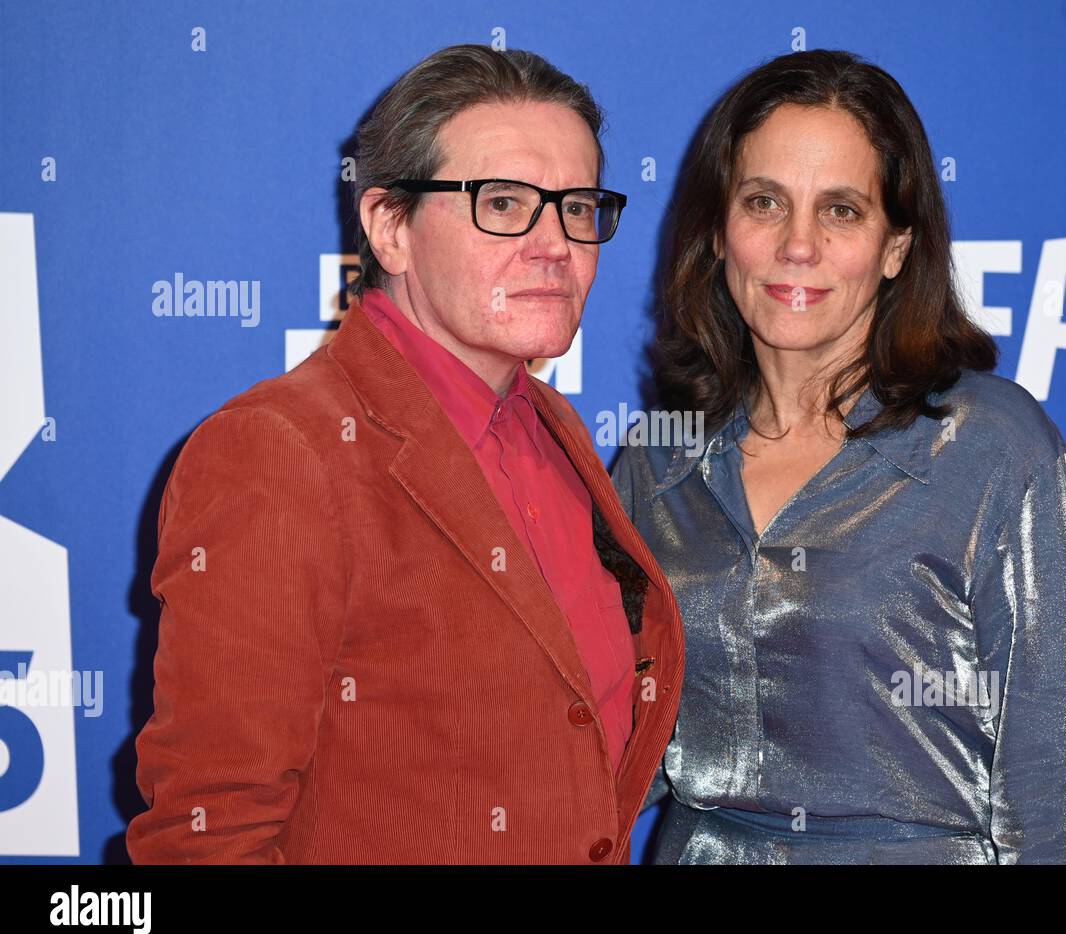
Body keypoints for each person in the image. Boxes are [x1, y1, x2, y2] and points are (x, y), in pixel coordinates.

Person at [126, 44, 683, 864]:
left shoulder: (553, 430)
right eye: (503, 203)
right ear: (389, 226)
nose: (555, 244)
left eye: (577, 207)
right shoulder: (276, 451)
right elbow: (207, 837)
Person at [613, 49, 1066, 864]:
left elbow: (1062, 798)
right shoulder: (658, 463)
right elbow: (604, 745)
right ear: (717, 230)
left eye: (841, 210)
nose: (798, 245)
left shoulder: (991, 447)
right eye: (764, 201)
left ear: (896, 247)